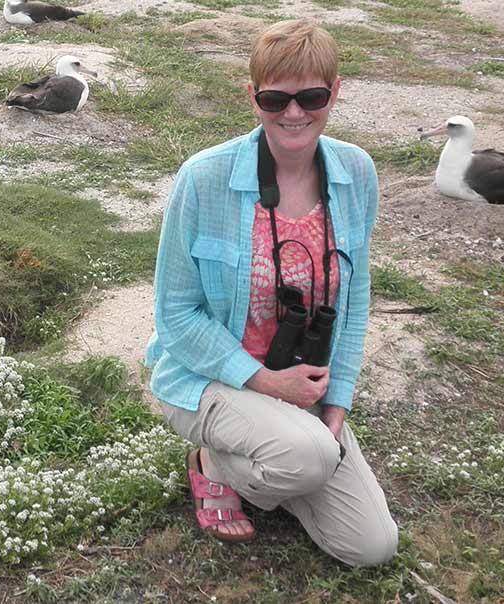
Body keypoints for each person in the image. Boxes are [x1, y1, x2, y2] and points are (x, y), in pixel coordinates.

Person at [143, 19, 397, 567]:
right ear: (251, 96)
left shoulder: (356, 172)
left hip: (299, 390)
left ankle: (284, 462)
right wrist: (263, 381)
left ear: (335, 92)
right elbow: (174, 314)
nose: (294, 113)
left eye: (311, 96)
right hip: (210, 379)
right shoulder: (203, 177)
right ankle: (214, 463)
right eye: (275, 98)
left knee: (372, 548)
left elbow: (353, 302)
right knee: (305, 457)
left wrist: (338, 399)